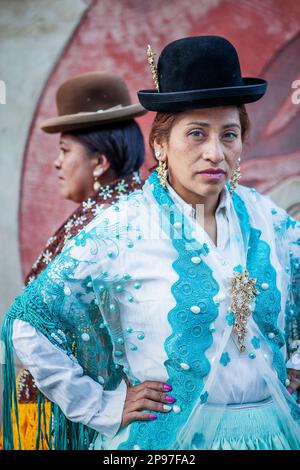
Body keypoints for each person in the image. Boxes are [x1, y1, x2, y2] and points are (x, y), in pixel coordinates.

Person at [2, 36, 300, 451]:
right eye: (196, 133)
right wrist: (102, 405)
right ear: (160, 144)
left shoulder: (269, 220)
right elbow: (28, 324)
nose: (215, 152)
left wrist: (294, 363)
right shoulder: (123, 227)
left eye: (229, 135)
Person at [9, 72, 146, 450]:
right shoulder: (134, 207)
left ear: (100, 161)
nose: (56, 164)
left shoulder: (105, 225)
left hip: (91, 430)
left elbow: (28, 328)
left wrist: (100, 406)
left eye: (65, 151)